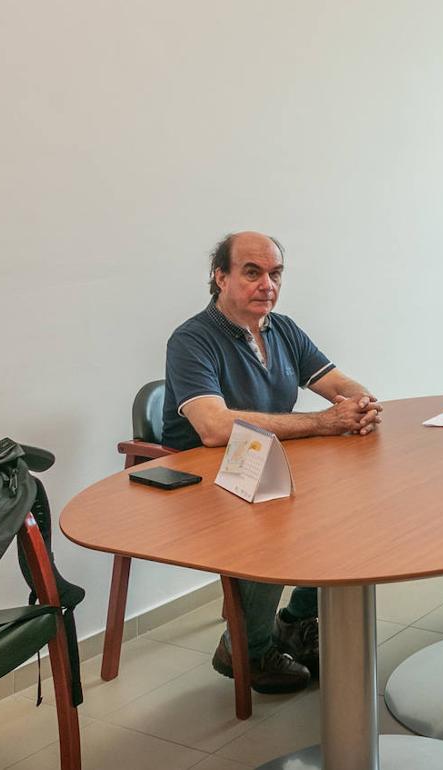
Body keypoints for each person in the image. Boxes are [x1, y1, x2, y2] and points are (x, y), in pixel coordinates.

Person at [162, 231, 382, 694]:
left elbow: (338, 382)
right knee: (275, 518)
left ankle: (297, 620)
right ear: (219, 277)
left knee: (352, 502)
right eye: (252, 272)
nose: (267, 284)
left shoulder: (281, 329)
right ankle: (247, 646)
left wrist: (362, 403)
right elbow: (214, 428)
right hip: (205, 478)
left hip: (265, 463)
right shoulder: (191, 339)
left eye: (275, 274)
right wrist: (323, 423)